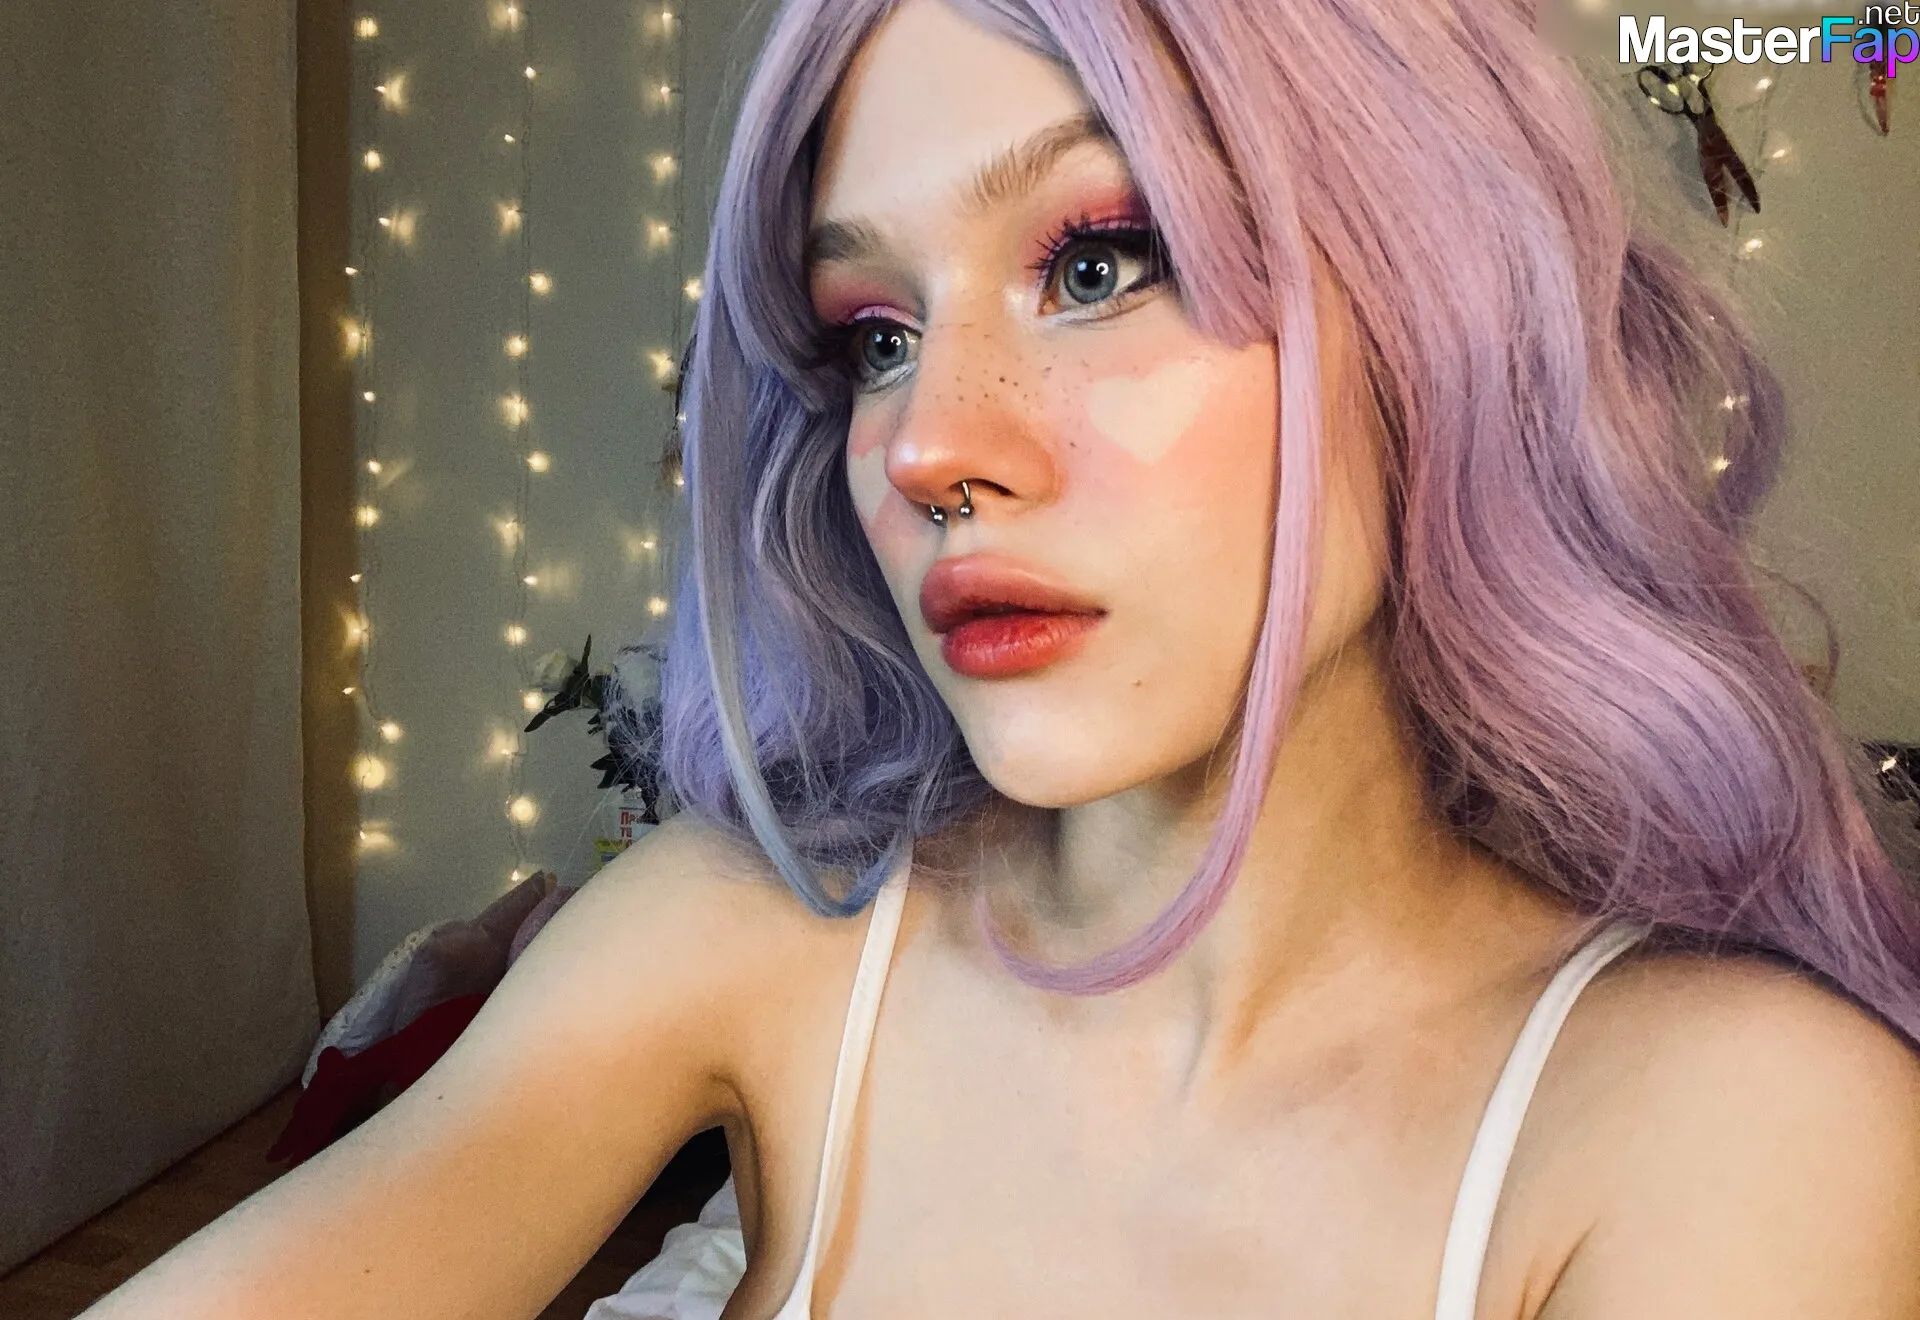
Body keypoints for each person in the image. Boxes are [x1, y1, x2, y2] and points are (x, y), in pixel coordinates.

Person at [88, 0, 1920, 1316]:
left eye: (1101, 260)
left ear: (1442, 309)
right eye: (875, 334)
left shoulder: (1734, 1129)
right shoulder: (754, 934)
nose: (925, 448)